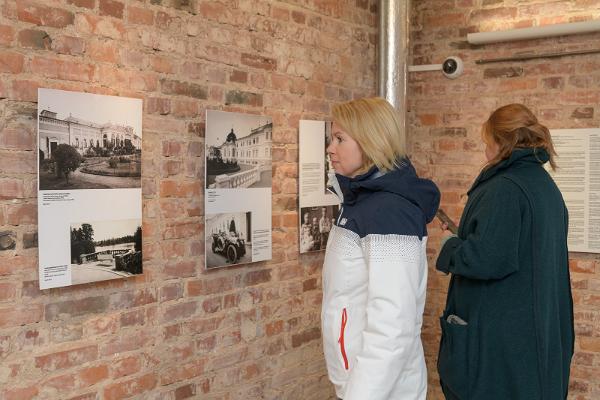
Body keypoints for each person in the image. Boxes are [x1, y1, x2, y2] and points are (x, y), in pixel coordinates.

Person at [436, 104, 574, 400]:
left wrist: (450, 245)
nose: (485, 148)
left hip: (501, 350)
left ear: (501, 142)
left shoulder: (505, 188)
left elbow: (486, 259)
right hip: (530, 343)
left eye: (487, 140)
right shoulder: (544, 186)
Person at [321, 97, 440, 400]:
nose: (330, 148)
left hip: (383, 389)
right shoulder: (362, 201)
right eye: (331, 138)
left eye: (339, 139)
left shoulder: (389, 212)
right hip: (364, 382)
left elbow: (393, 324)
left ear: (369, 141)